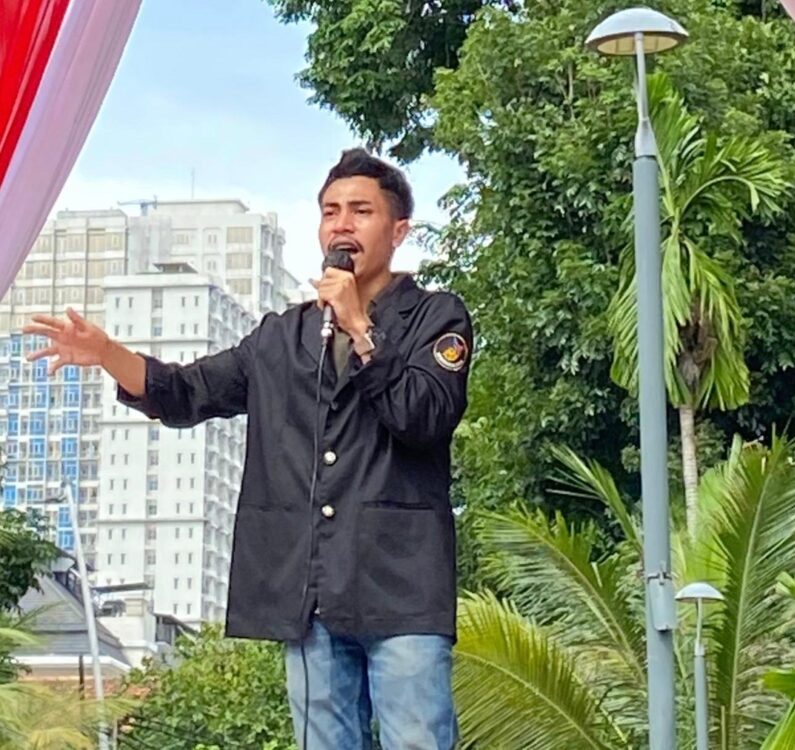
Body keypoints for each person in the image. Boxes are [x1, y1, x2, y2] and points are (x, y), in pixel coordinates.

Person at [24, 148, 472, 750]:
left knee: (417, 740)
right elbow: (185, 392)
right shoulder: (281, 336)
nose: (341, 224)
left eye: (361, 211)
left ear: (398, 231)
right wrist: (108, 354)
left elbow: (423, 416)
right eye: (330, 211)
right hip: (308, 591)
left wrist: (362, 329)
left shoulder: (436, 317)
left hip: (400, 585)